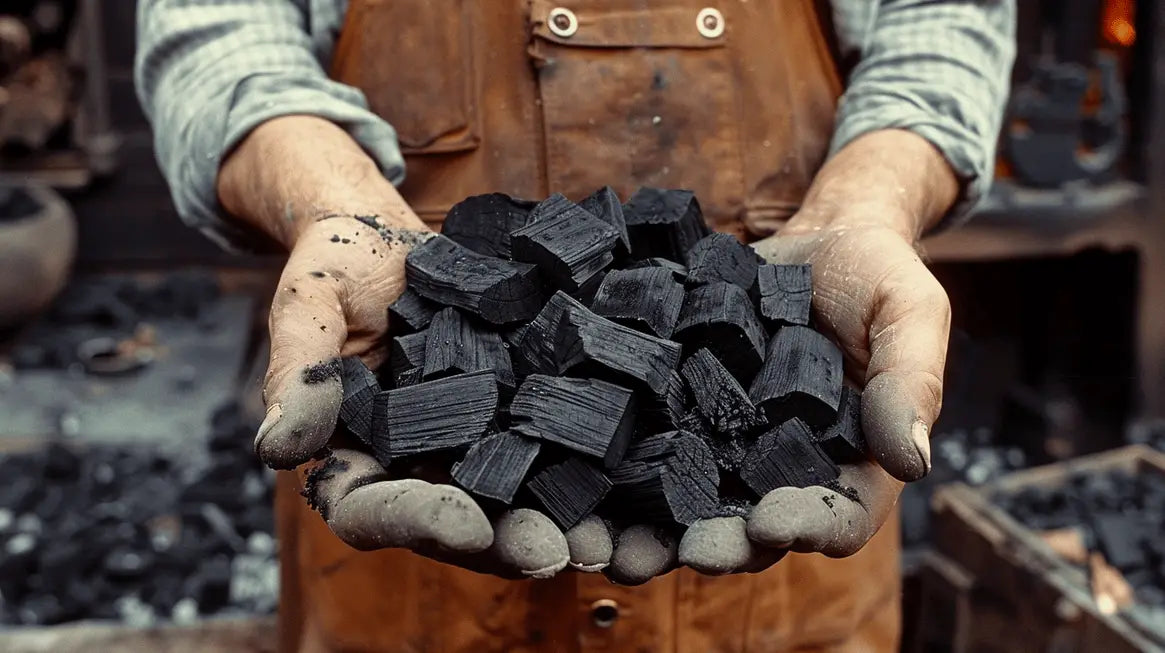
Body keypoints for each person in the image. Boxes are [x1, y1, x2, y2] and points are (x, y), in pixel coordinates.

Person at [136, 1, 1015, 650]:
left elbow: (938, 26)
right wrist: (326, 196)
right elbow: (217, 30)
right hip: (409, 586)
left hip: (783, 585)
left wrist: (870, 202)